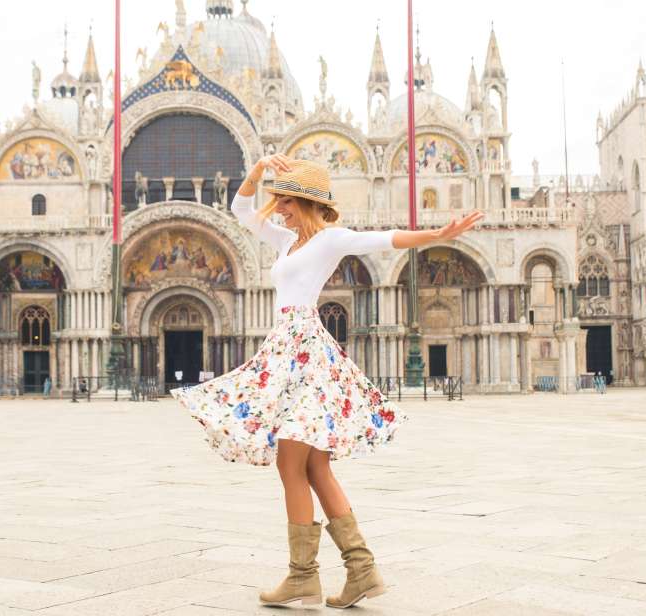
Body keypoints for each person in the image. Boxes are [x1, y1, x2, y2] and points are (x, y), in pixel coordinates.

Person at [172, 156, 482, 609]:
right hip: (285, 347)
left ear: (304, 203)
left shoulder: (331, 239)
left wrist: (435, 236)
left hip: (305, 351)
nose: (277, 209)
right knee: (314, 467)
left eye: (284, 202)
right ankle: (361, 570)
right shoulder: (284, 241)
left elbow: (383, 240)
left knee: (291, 464)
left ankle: (303, 577)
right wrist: (257, 169)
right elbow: (240, 211)